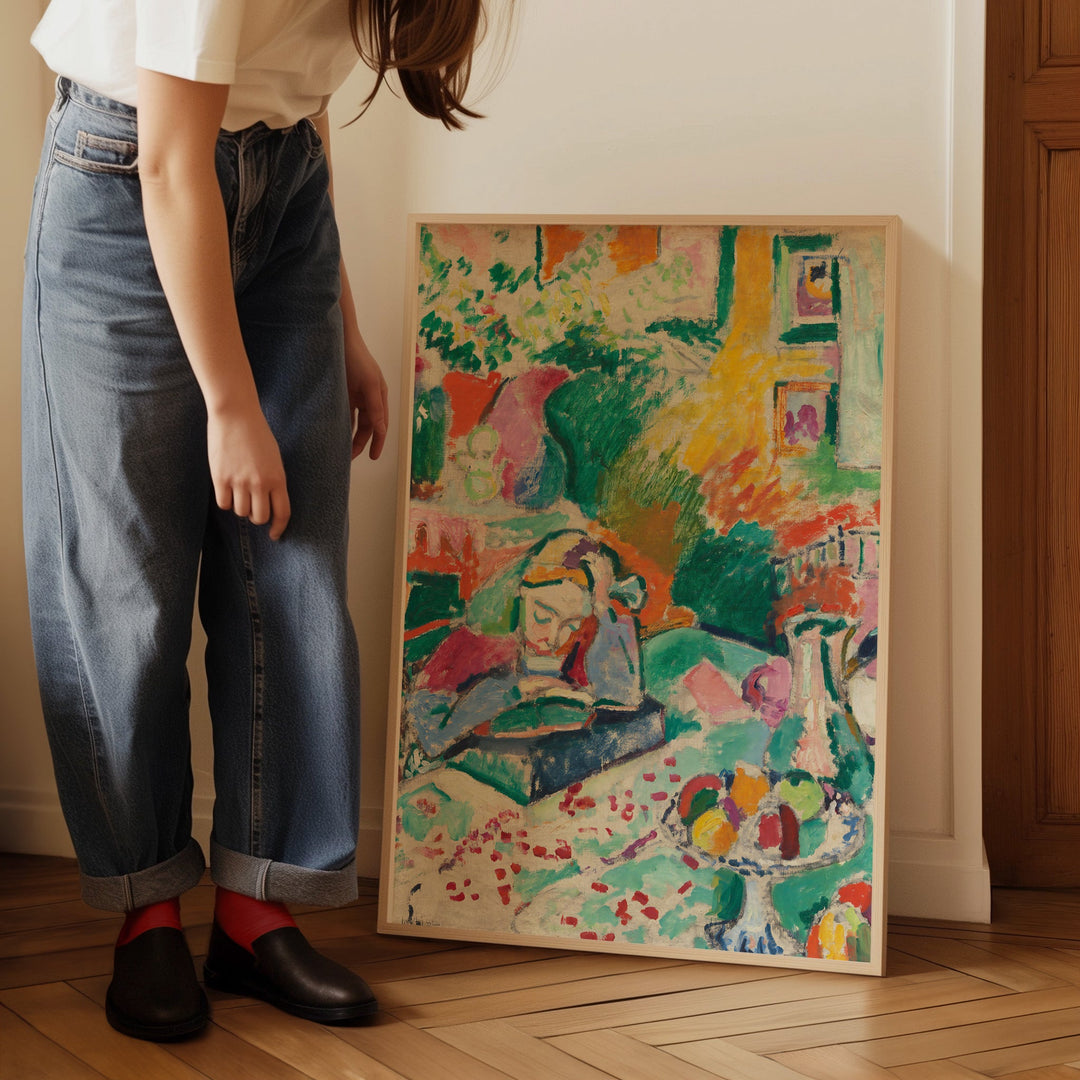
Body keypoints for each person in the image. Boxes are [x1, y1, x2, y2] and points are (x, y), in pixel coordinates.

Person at [22, 0, 500, 1042]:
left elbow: (293, 100)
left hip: (282, 191)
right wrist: (232, 407)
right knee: (124, 585)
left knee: (292, 574)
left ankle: (253, 909)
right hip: (126, 181)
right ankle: (146, 910)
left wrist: (344, 324)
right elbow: (169, 164)